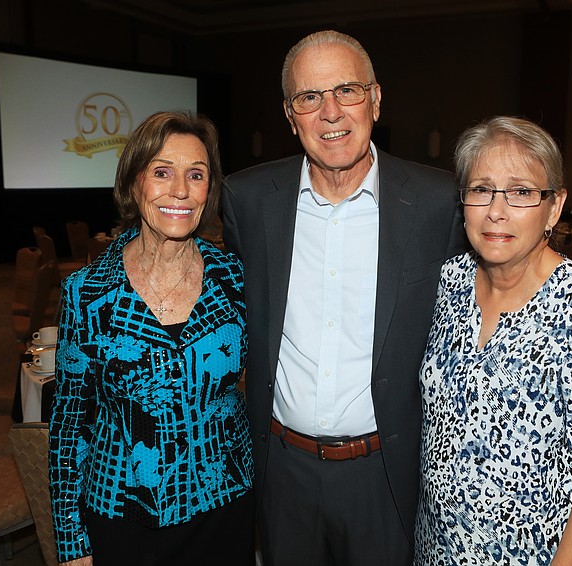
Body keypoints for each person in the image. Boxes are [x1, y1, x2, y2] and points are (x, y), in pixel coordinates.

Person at [222, 30, 466, 565]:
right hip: (282, 471)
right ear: (290, 115)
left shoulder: (436, 201)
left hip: (386, 471)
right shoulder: (247, 200)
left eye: (347, 91)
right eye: (310, 97)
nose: (331, 112)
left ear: (376, 99)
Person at [414, 116, 572, 565]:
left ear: (554, 208)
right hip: (434, 547)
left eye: (521, 192)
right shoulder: (449, 282)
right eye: (480, 189)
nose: (497, 210)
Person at [49, 111, 253, 565]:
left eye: (195, 175)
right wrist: (72, 542)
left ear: (208, 190)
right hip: (120, 514)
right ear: (133, 182)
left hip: (222, 508)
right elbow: (68, 426)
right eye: (162, 172)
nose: (180, 190)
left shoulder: (237, 281)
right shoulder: (86, 293)